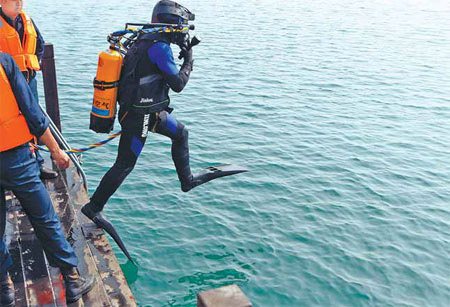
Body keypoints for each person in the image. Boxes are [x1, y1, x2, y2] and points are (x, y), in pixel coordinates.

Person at [82, 0, 247, 223]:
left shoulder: (143, 37)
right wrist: (188, 62)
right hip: (139, 116)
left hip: (147, 111)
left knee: (181, 134)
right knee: (125, 164)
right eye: (181, 28)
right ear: (171, 25)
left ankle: (187, 181)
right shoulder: (159, 47)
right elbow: (178, 84)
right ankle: (93, 208)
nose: (183, 34)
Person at [0, 52, 95, 305]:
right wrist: (55, 149)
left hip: (14, 157)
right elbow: (32, 113)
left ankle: (4, 289)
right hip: (16, 158)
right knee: (44, 218)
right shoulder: (5, 62)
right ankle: (72, 279)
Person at [0, 0, 58, 180]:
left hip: (28, 80)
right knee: (14, 123)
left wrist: (34, 65)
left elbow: (39, 43)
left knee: (34, 119)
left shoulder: (27, 20)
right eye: (14, 1)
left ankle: (38, 163)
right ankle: (17, 166)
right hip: (7, 85)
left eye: (21, 0)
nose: (19, 4)